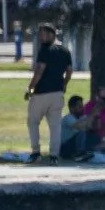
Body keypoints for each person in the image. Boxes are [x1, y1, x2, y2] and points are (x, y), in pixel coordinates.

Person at [23, 25, 72, 164]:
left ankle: (36, 152)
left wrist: (30, 87)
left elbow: (40, 70)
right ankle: (54, 156)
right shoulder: (65, 50)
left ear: (52, 34)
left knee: (33, 122)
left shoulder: (45, 50)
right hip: (58, 93)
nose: (41, 37)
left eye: (43, 34)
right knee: (55, 126)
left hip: (41, 93)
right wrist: (64, 84)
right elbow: (69, 71)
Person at [60, 96, 105, 161]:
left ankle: (92, 151)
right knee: (82, 132)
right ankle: (80, 154)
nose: (82, 108)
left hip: (79, 144)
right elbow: (80, 127)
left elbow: (95, 128)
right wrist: (92, 114)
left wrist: (97, 115)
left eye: (82, 106)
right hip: (66, 147)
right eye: (79, 106)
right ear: (72, 109)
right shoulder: (68, 118)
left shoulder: (83, 117)